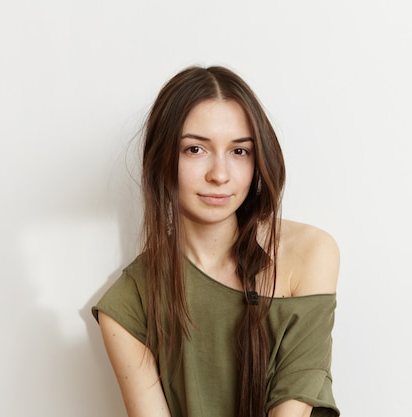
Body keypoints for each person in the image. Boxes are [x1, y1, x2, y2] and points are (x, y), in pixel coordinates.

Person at [92, 65, 340, 417]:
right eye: (195, 150)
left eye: (239, 152)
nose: (220, 175)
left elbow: (295, 401)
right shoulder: (130, 303)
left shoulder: (309, 251)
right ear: (162, 159)